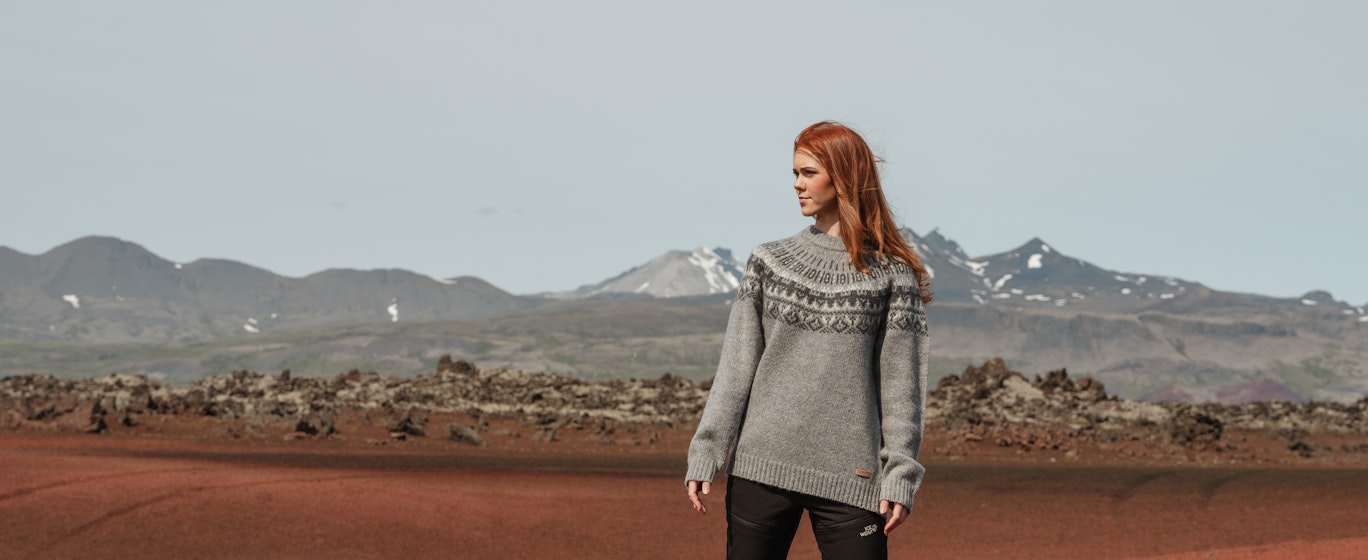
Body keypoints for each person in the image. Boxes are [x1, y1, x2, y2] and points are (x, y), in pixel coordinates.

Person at [685, 121, 932, 559]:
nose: (796, 184)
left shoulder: (892, 275)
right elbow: (737, 366)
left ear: (844, 177)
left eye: (808, 173)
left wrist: (900, 472)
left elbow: (901, 387)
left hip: (853, 476)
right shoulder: (769, 262)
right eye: (795, 173)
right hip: (761, 466)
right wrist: (707, 449)